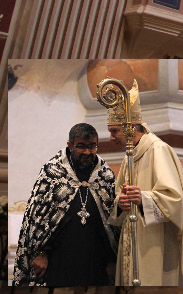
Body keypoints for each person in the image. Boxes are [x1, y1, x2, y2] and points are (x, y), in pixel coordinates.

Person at [103, 81, 183, 286]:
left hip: (156, 243)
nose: (111, 137)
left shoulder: (158, 150)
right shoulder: (128, 158)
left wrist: (142, 198)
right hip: (131, 239)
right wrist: (121, 203)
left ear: (131, 128)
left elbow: (175, 201)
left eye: (114, 131)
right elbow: (118, 197)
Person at [14, 123, 119, 286]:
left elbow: (112, 221)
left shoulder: (105, 175)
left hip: (96, 258)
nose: (87, 152)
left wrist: (112, 259)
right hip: (58, 257)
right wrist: (41, 252)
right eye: (81, 146)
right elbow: (38, 218)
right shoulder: (53, 172)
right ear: (70, 145)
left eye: (92, 146)